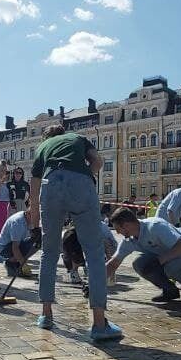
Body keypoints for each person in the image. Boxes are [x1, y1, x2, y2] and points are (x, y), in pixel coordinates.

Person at [27, 125, 123, 341]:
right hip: (80, 183)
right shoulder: (78, 138)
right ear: (64, 134)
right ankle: (99, 324)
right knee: (94, 253)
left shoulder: (43, 147)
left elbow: (33, 190)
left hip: (50, 185)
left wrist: (35, 225)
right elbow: (97, 162)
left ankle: (46, 315)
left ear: (47, 137)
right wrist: (84, 176)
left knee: (49, 253)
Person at [107, 207, 181, 308]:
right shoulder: (129, 240)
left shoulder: (155, 227)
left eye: (117, 229)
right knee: (139, 264)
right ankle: (170, 291)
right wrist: (96, 283)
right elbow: (113, 263)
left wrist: (159, 261)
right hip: (171, 259)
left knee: (171, 267)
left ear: (126, 225)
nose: (117, 232)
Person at [0, 208, 36, 277]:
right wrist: (24, 264)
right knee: (33, 243)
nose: (37, 220)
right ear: (28, 214)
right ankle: (10, 263)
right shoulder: (17, 223)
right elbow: (15, 247)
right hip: (5, 248)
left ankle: (17, 262)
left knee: (38, 240)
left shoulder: (27, 218)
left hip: (16, 243)